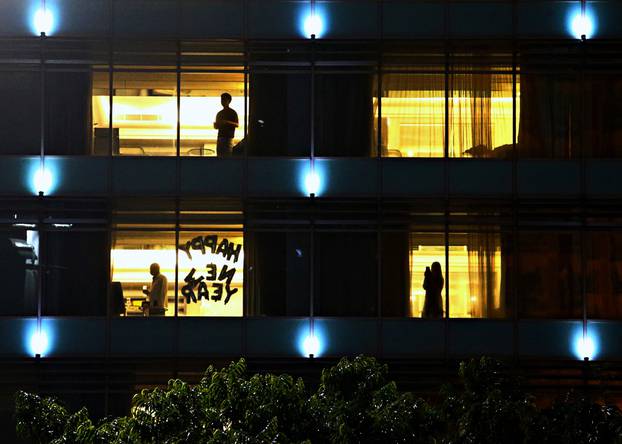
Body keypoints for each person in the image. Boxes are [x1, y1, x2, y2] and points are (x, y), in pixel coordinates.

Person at [214, 92, 239, 157]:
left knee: (227, 157)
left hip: (228, 139)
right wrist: (216, 125)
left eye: (224, 100)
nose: (222, 101)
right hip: (220, 138)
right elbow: (216, 127)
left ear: (229, 101)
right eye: (222, 100)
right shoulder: (219, 113)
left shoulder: (232, 112)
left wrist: (226, 122)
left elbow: (237, 124)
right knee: (220, 156)